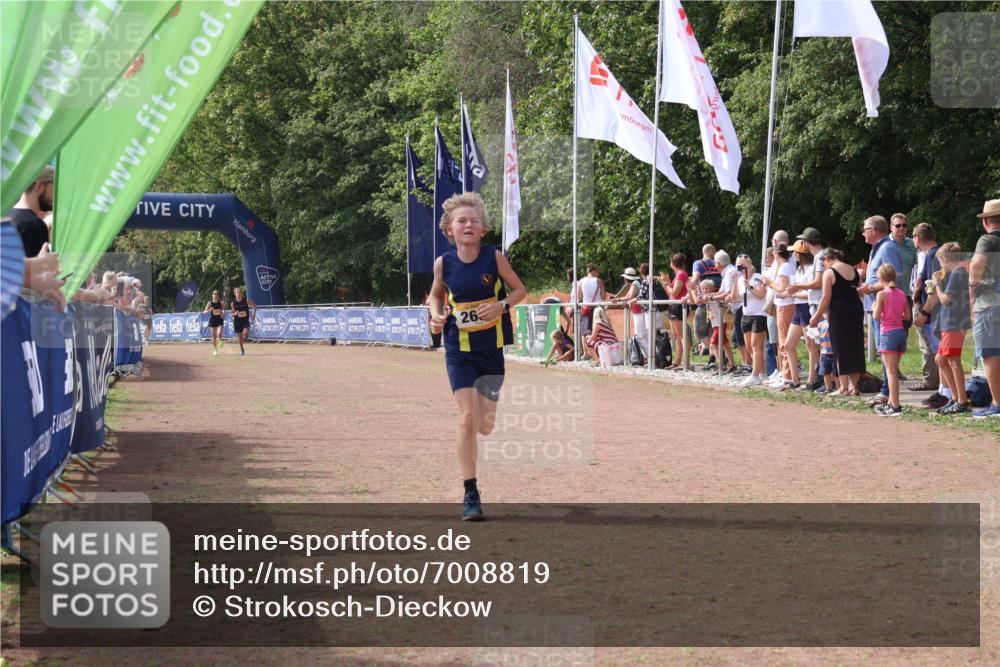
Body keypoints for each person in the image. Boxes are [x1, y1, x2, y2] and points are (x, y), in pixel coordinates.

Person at [428, 192, 526, 520]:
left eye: (474, 221)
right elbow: (435, 296)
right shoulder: (444, 263)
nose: (468, 225)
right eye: (461, 221)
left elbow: (519, 289)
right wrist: (437, 315)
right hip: (459, 350)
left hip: (491, 350)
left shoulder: (494, 258)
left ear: (483, 229)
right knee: (467, 418)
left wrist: (502, 305)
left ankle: (474, 471)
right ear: (450, 230)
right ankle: (470, 491)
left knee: (484, 425)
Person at [858, 215, 903, 406]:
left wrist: (871, 288)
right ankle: (887, 392)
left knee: (886, 352)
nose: (863, 233)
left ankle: (886, 392)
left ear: (874, 231)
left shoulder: (887, 247)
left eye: (865, 229)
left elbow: (896, 276)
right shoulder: (878, 248)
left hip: (885, 310)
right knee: (883, 350)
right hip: (875, 305)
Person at [809, 248, 865, 396]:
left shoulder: (829, 273)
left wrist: (816, 316)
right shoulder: (853, 269)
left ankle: (843, 387)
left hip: (839, 312)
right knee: (855, 347)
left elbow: (826, 298)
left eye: (823, 262)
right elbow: (859, 290)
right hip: (856, 310)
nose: (824, 266)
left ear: (828, 259)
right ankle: (855, 387)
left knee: (840, 350)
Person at [969, 198, 1000, 419]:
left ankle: (997, 404)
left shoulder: (988, 240)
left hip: (990, 304)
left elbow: (977, 263)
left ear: (986, 220)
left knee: (991, 355)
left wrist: (973, 283)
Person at [932, 243, 971, 414]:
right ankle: (955, 397)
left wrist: (937, 285)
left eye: (940, 260)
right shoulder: (958, 273)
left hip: (954, 323)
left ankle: (961, 400)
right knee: (940, 359)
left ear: (946, 259)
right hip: (951, 322)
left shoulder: (958, 273)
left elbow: (946, 299)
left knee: (953, 360)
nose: (940, 264)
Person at [910, 223, 944, 401]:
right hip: (935, 310)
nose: (913, 240)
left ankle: (932, 380)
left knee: (930, 347)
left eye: (914, 237)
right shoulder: (935, 254)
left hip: (932, 311)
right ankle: (939, 382)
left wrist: (924, 312)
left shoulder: (932, 257)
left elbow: (932, 289)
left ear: (918, 238)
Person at [872, 263, 910, 416]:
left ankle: (895, 405)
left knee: (891, 372)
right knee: (893, 371)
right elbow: (907, 316)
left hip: (888, 333)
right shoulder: (902, 294)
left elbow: (875, 316)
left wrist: (877, 308)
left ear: (881, 278)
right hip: (901, 332)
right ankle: (890, 403)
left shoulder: (881, 294)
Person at [783, 241, 819, 390]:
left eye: (795, 252)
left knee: (811, 345)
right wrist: (789, 293)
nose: (792, 254)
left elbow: (811, 293)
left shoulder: (811, 270)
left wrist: (794, 293)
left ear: (800, 254)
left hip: (807, 308)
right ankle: (795, 379)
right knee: (788, 345)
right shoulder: (799, 270)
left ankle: (812, 380)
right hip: (799, 308)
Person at [762, 242, 796, 388]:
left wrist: (770, 283)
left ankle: (786, 374)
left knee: (784, 341)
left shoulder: (785, 267)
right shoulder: (787, 266)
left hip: (785, 305)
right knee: (782, 340)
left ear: (776, 254)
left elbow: (782, 288)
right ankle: (783, 373)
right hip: (783, 305)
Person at [731, 255, 768, 386]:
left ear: (750, 266)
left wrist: (750, 286)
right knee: (749, 347)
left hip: (759, 314)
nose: (741, 268)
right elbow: (734, 298)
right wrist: (736, 282)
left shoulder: (757, 277)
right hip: (746, 314)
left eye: (743, 265)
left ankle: (755, 375)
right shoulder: (740, 279)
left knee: (756, 346)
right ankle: (762, 373)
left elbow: (761, 294)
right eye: (738, 266)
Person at [6, 165, 54, 257]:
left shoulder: (4, 215)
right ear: (39, 186)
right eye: (54, 185)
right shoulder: (34, 225)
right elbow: (39, 269)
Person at [690, 244, 721, 360]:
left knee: (699, 329)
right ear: (713, 252)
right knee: (714, 330)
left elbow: (696, 276)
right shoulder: (718, 264)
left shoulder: (698, 263)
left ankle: (717, 354)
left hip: (704, 302)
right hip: (718, 302)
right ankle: (714, 356)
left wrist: (692, 286)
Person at [663, 253, 690, 369]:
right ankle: (677, 361)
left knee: (682, 336)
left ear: (673, 264)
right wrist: (668, 283)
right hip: (674, 306)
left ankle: (686, 362)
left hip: (678, 307)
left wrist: (665, 284)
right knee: (677, 336)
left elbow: (674, 292)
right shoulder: (679, 274)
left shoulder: (681, 274)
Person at [612, 266, 644, 349]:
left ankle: (646, 355)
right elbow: (628, 296)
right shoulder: (634, 283)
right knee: (640, 333)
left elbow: (630, 297)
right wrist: (617, 299)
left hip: (639, 311)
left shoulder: (635, 283)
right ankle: (645, 355)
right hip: (637, 310)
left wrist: (617, 299)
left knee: (640, 333)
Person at [576, 263, 605, 336]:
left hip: (585, 309)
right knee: (598, 332)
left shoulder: (581, 282)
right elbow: (603, 296)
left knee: (585, 332)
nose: (599, 273)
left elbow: (579, 298)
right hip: (597, 309)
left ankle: (584, 347)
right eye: (597, 271)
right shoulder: (599, 281)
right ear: (593, 271)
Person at [231, 287, 256, 356]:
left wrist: (254, 314)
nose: (238, 294)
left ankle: (246, 334)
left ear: (242, 293)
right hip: (237, 322)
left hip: (245, 320)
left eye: (240, 292)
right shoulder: (233, 303)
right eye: (237, 292)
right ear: (235, 294)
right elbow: (232, 314)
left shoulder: (246, 300)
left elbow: (254, 305)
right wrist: (235, 314)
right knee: (240, 337)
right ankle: (242, 349)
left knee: (245, 333)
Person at [203, 290, 226, 356]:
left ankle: (219, 340)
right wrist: (209, 310)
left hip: (220, 319)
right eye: (214, 294)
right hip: (213, 320)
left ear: (218, 296)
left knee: (220, 333)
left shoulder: (221, 303)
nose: (216, 295)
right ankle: (215, 350)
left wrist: (223, 313)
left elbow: (224, 310)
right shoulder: (209, 303)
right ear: (212, 295)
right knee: (214, 337)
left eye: (217, 294)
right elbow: (204, 312)